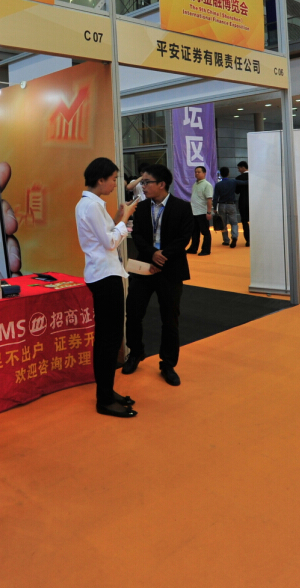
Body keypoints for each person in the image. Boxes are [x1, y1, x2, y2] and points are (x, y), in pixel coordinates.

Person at [75, 156, 141, 418]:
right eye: (113, 179)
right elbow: (110, 242)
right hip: (105, 276)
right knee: (108, 339)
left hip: (102, 274)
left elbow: (104, 235)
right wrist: (126, 219)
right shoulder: (91, 206)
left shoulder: (89, 204)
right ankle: (104, 398)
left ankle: (106, 391)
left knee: (107, 338)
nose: (116, 184)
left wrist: (118, 219)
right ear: (100, 179)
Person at [123, 164, 194, 387]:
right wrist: (152, 254)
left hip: (170, 270)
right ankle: (135, 353)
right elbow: (138, 236)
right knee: (133, 312)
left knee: (170, 319)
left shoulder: (182, 207)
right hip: (144, 267)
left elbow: (184, 238)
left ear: (161, 184)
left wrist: (163, 256)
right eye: (142, 182)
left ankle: (168, 364)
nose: (143, 186)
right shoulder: (141, 207)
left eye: (146, 182)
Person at [187, 165, 214, 256]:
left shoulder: (207, 185)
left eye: (199, 172)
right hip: (194, 212)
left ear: (204, 173)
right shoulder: (195, 184)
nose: (196, 173)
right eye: (195, 172)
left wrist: (209, 212)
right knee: (194, 232)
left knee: (205, 232)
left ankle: (206, 250)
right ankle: (193, 248)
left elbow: (209, 199)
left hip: (202, 212)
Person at [213, 166, 240, 247]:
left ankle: (226, 240)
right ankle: (234, 236)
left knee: (223, 223)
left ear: (221, 174)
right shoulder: (233, 182)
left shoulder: (218, 185)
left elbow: (215, 197)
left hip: (221, 205)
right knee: (234, 223)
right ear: (228, 173)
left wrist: (215, 207)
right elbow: (244, 182)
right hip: (231, 204)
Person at [235, 160, 251, 246]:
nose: (238, 170)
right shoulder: (253, 176)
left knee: (244, 221)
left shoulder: (238, 178)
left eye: (239, 168)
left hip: (243, 202)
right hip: (254, 201)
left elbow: (237, 191)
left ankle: (248, 240)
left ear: (243, 167)